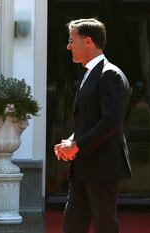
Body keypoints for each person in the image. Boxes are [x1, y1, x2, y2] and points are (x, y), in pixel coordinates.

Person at [54, 18, 132, 233]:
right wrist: (71, 140)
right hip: (84, 167)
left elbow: (111, 121)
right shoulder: (88, 73)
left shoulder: (111, 75)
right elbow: (89, 120)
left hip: (103, 166)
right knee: (72, 226)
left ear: (88, 42)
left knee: (105, 225)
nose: (68, 46)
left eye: (72, 41)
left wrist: (77, 145)